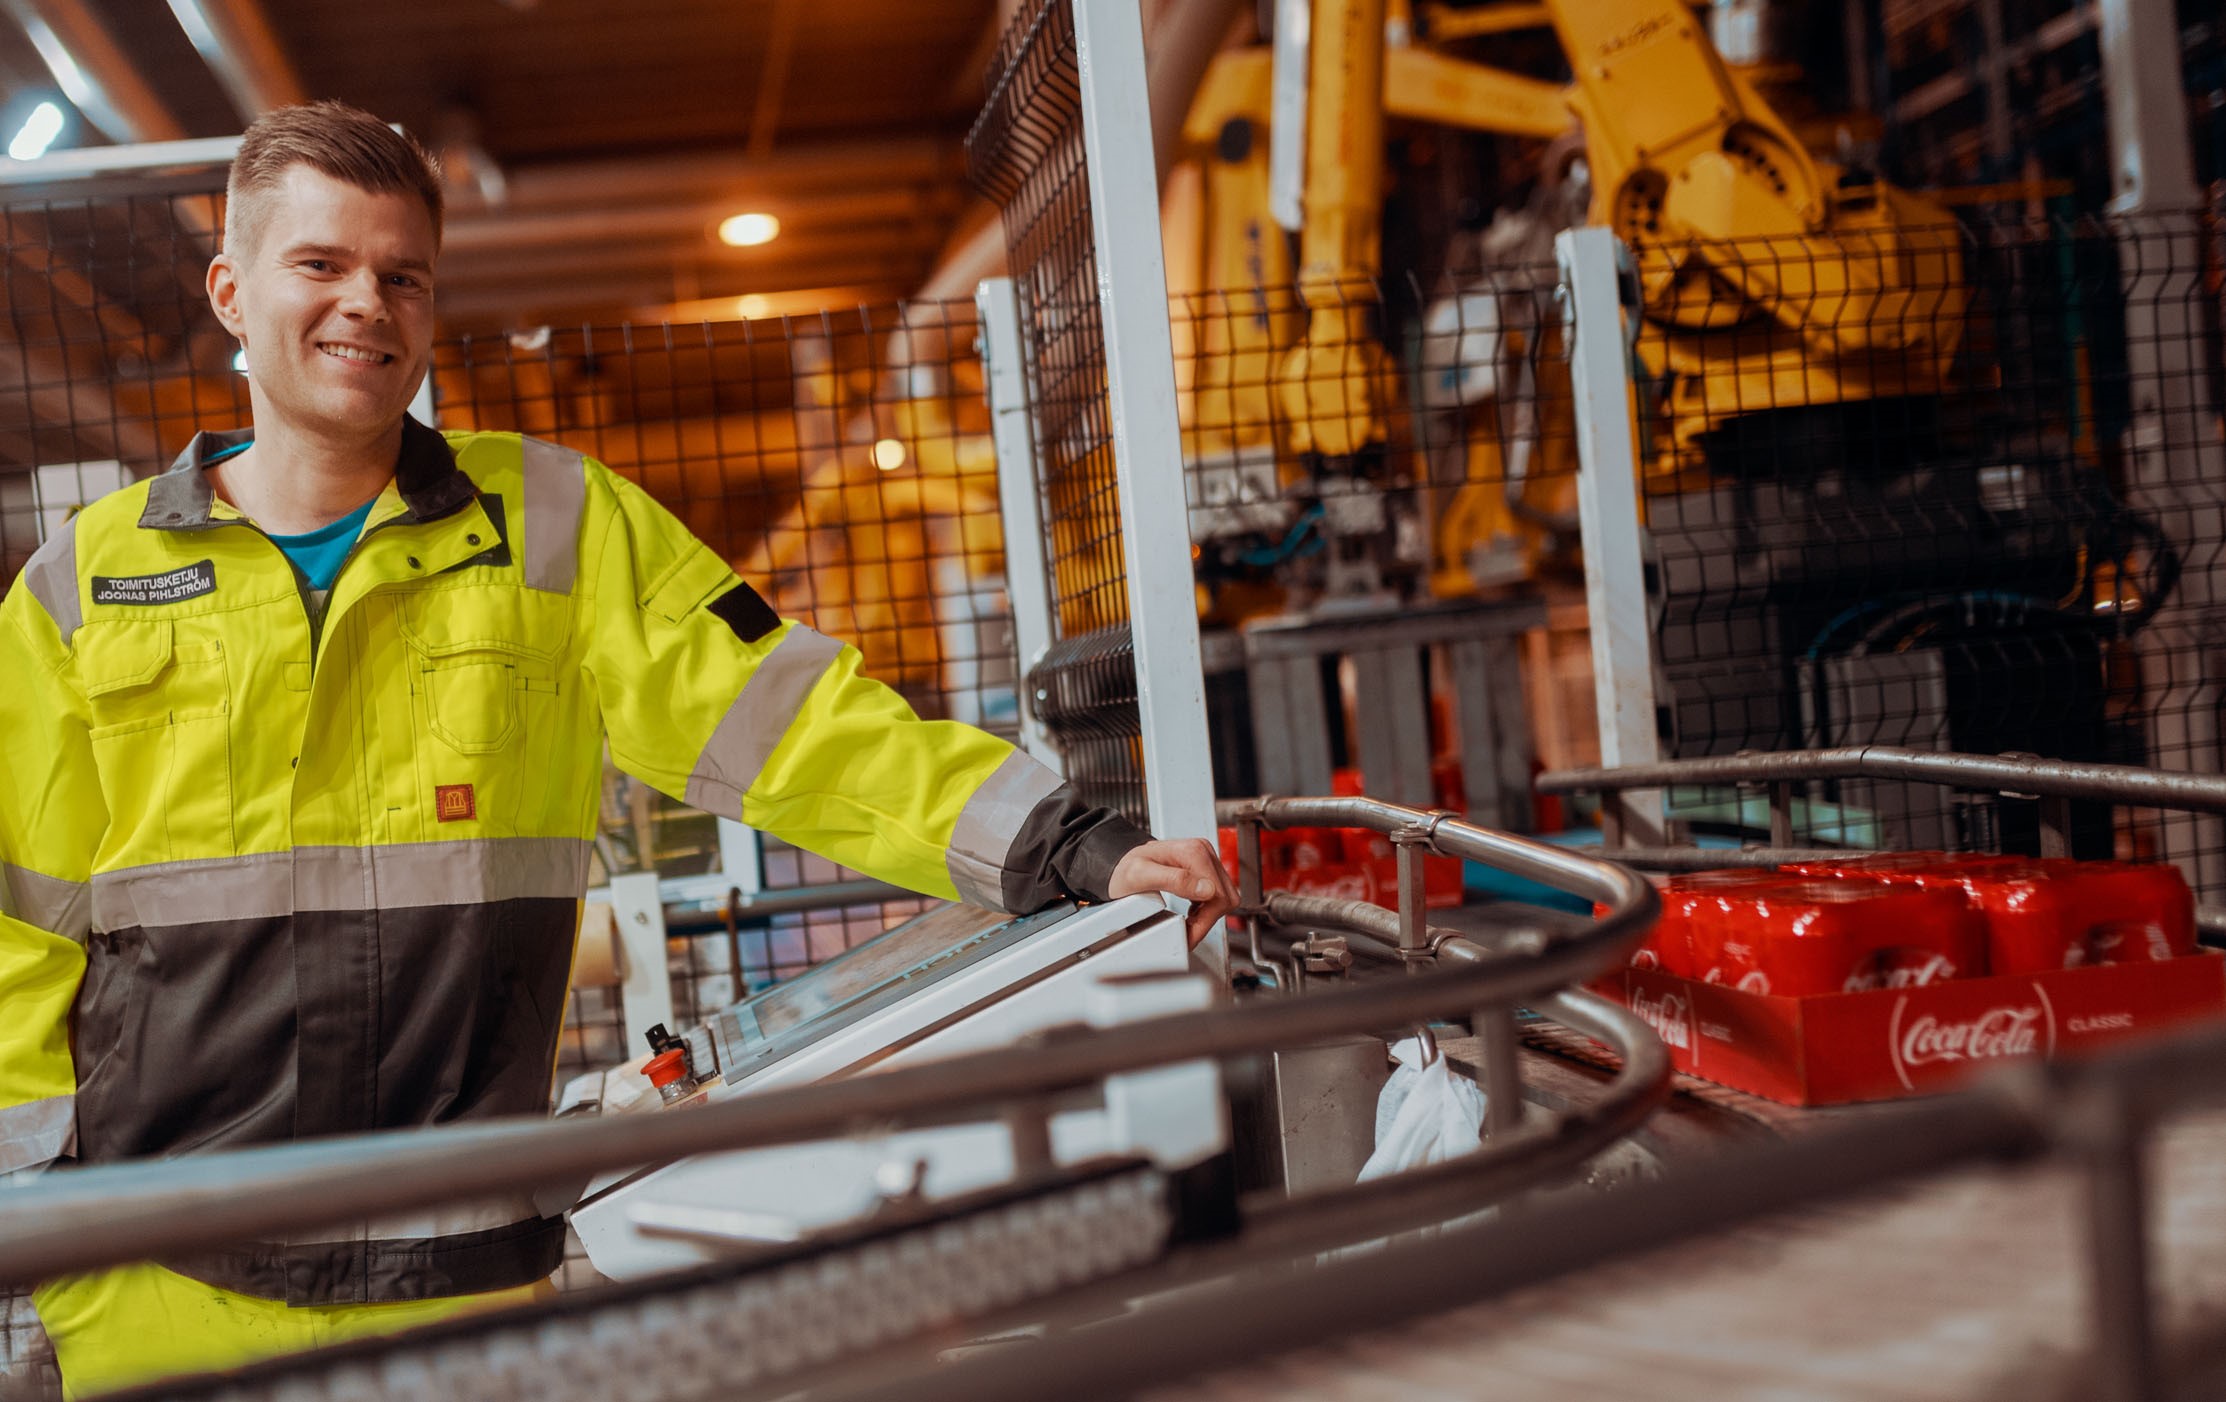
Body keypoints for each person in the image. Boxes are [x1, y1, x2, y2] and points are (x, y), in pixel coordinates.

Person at [0, 100, 1235, 1397]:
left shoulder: (554, 527)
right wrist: (51, 1239)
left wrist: (1066, 845)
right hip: (164, 1298)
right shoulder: (84, 586)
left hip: (466, 1299)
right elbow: (15, 928)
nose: (365, 301)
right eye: (320, 263)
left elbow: (795, 723)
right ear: (231, 291)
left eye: (401, 274)